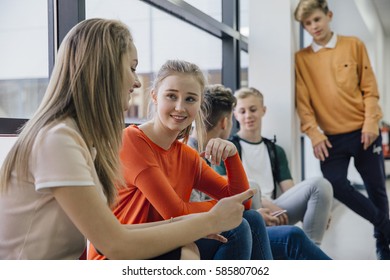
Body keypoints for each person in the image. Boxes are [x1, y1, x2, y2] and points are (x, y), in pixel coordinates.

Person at [0, 18, 255, 260]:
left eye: (190, 98)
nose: (135, 82)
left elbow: (113, 234)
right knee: (217, 238)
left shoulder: (78, 139)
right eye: (132, 68)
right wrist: (209, 220)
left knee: (229, 231)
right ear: (105, 70)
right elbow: (115, 244)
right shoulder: (58, 140)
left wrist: (196, 225)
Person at [88, 59, 274, 260]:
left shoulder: (186, 156)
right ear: (154, 96)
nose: (180, 107)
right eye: (171, 96)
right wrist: (220, 211)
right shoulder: (133, 141)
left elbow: (243, 202)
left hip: (166, 245)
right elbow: (174, 213)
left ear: (200, 104)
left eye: (190, 99)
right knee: (237, 228)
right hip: (124, 254)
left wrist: (232, 156)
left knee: (251, 218)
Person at [294, 0, 390, 259]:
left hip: (364, 131)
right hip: (330, 138)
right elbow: (303, 104)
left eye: (316, 20)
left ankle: (383, 244)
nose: (313, 27)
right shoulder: (301, 60)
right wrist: (313, 133)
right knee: (335, 183)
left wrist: (371, 123)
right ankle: (385, 226)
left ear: (329, 15)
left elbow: (370, 90)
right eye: (307, 23)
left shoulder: (353, 45)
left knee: (377, 189)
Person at [190, 84, 331, 260]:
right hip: (243, 216)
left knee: (319, 186)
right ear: (228, 120)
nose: (248, 116)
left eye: (253, 109)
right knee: (282, 229)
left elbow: (289, 189)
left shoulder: (273, 150)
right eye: (242, 111)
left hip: (264, 209)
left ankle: (310, 249)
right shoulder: (222, 149)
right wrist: (258, 210)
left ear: (263, 111)